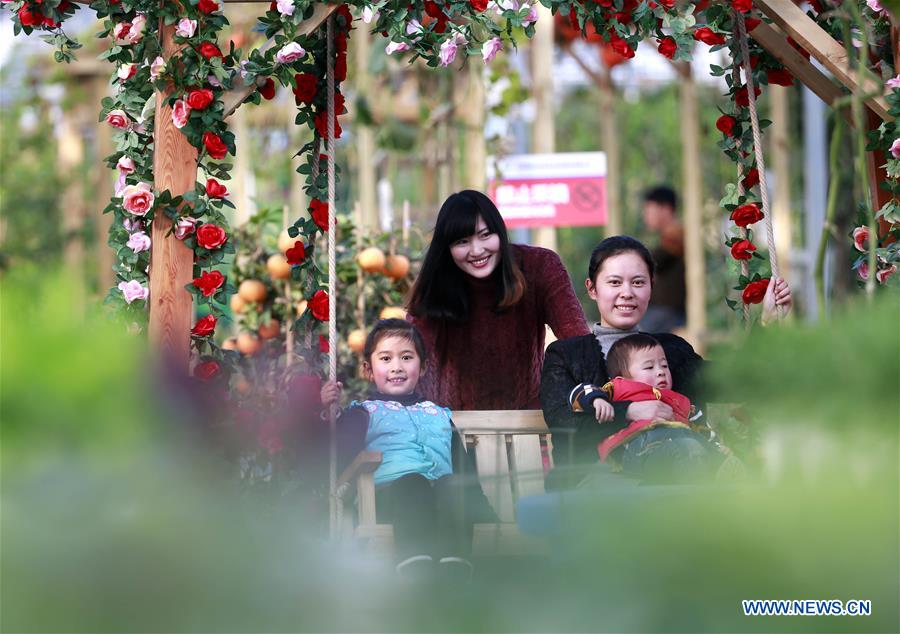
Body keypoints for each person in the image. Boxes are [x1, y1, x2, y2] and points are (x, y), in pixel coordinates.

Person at [540, 235, 792, 488]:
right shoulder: (565, 355)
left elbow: (734, 380)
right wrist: (629, 411)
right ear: (592, 289)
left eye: (638, 282)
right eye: (614, 283)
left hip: (677, 474)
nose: (627, 293)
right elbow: (564, 423)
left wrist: (766, 322)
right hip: (590, 482)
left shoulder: (671, 350)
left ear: (651, 286)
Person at [321, 319, 496, 580]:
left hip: (443, 502)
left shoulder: (438, 414)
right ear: (369, 369)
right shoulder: (364, 413)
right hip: (387, 501)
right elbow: (338, 452)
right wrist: (328, 412)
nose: (397, 367)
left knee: (453, 484)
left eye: (406, 357)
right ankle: (415, 564)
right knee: (412, 483)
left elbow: (462, 463)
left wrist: (481, 506)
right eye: (386, 359)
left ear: (423, 367)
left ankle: (455, 566)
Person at [407, 190, 589, 410]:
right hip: (451, 425)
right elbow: (410, 358)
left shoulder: (539, 266)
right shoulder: (434, 285)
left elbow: (577, 342)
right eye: (462, 241)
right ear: (447, 248)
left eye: (485, 235)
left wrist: (593, 391)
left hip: (526, 423)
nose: (477, 250)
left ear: (500, 232)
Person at [568, 333, 713, 482]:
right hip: (639, 450)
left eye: (664, 365)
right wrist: (597, 399)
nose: (660, 371)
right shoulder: (619, 388)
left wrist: (716, 447)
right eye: (649, 367)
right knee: (689, 449)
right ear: (621, 377)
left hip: (682, 448)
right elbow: (579, 391)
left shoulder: (676, 399)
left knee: (701, 451)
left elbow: (701, 426)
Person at [640, 185, 686, 333]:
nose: (646, 215)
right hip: (661, 312)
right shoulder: (669, 237)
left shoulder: (677, 236)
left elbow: (653, 261)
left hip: (668, 314)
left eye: (649, 210)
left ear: (666, 209)